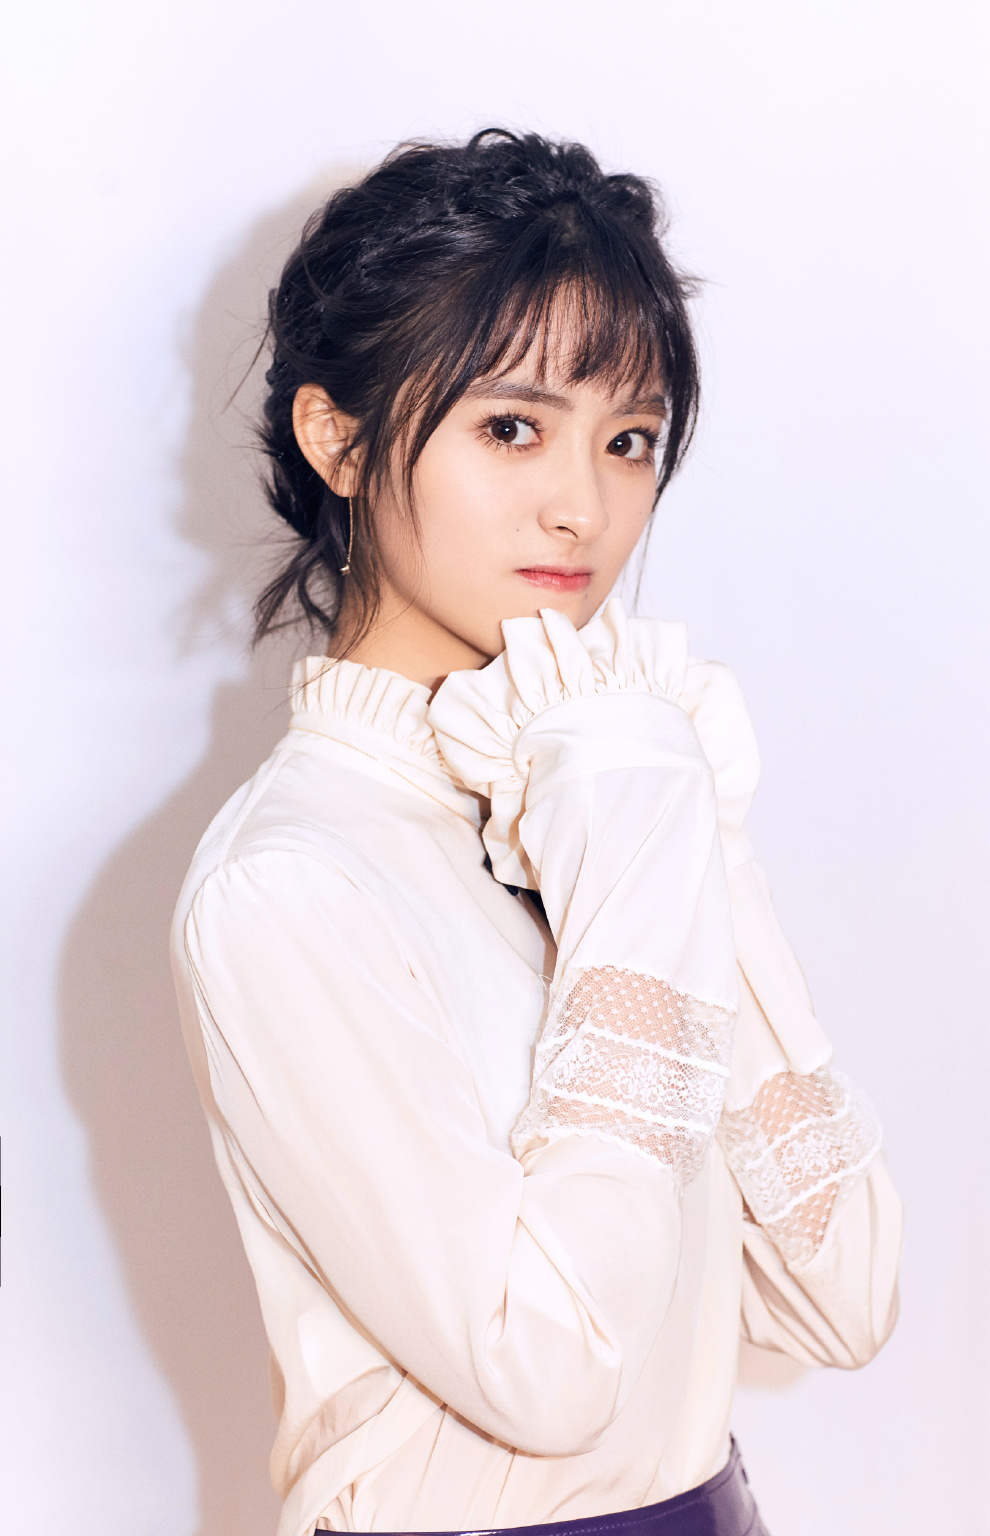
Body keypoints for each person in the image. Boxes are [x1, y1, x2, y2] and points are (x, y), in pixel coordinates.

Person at [171, 129, 902, 1536]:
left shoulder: (599, 788)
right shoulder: (291, 882)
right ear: (338, 437)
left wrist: (694, 842)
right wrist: (642, 853)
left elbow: (844, 1292)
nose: (585, 507)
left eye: (628, 441)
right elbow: (548, 1372)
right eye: (512, 427)